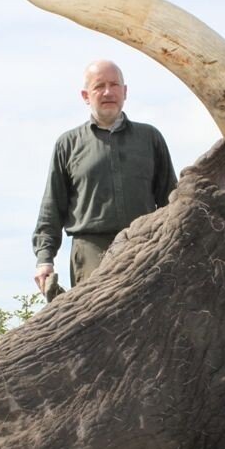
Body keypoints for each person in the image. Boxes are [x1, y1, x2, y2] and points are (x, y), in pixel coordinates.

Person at [32, 60, 176, 295]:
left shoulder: (150, 138)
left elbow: (171, 200)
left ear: (125, 91)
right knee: (95, 325)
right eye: (99, 86)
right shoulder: (67, 144)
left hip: (144, 247)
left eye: (114, 85)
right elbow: (52, 207)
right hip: (90, 252)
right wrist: (44, 260)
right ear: (86, 95)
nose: (108, 92)